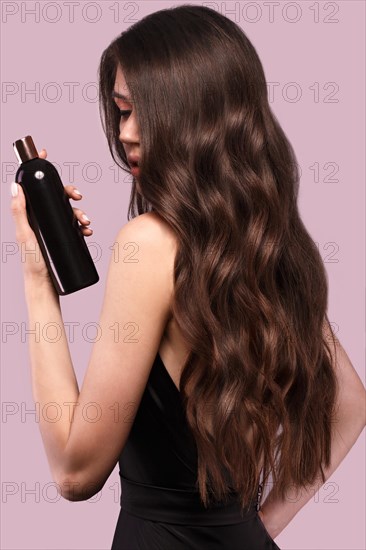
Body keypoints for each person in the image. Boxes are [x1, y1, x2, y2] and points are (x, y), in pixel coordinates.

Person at [10, 5, 365, 550]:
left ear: (192, 114)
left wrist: (38, 278)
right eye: (118, 112)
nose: (125, 132)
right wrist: (256, 530)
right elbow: (351, 403)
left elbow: (75, 474)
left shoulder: (148, 243)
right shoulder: (270, 243)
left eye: (136, 111)